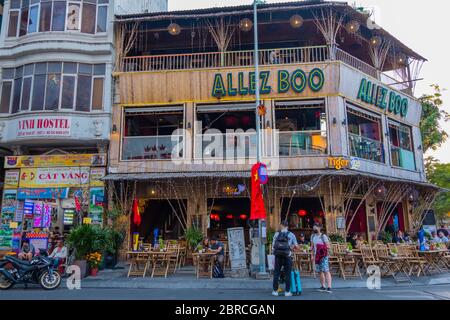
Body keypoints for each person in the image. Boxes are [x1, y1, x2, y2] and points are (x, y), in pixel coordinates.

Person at [272, 220, 298, 297]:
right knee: (288, 273)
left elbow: (274, 246)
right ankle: (287, 292)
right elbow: (296, 246)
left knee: (276, 273)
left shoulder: (277, 234)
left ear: (281, 225)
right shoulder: (291, 235)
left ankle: (275, 291)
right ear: (287, 226)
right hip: (287, 256)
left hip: (278, 256)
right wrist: (291, 247)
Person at [310, 224, 332, 293]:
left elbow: (328, 246)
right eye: (313, 227)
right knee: (319, 271)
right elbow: (312, 247)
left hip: (323, 256)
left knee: (326, 271)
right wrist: (312, 255)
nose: (314, 228)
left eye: (315, 227)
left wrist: (320, 247)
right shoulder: (313, 236)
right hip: (317, 256)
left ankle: (329, 287)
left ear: (319, 228)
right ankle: (323, 286)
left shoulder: (323, 236)